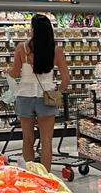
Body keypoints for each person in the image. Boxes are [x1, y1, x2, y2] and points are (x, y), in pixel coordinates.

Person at [8, 14, 69, 171]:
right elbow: (66, 79)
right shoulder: (56, 51)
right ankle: (46, 176)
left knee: (27, 139)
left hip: (25, 97)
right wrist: (58, 92)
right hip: (46, 97)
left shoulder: (22, 48)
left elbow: (15, 73)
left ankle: (31, 175)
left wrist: (7, 70)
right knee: (46, 140)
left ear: (33, 29)